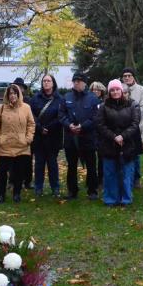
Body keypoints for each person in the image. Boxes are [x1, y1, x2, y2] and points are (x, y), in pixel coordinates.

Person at [96, 79, 141, 207]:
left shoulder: (132, 105)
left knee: (127, 173)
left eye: (117, 89)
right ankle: (110, 199)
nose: (115, 92)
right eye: (112, 90)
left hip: (127, 144)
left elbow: (135, 123)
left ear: (121, 90)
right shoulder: (103, 106)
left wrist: (123, 136)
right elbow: (100, 124)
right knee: (110, 173)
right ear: (109, 92)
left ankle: (126, 198)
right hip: (109, 144)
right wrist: (114, 137)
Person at [0, 84, 36, 203]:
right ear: (7, 95)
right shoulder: (1, 108)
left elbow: (31, 124)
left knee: (19, 172)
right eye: (10, 93)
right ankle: (1, 195)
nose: (13, 96)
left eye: (15, 93)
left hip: (22, 145)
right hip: (5, 145)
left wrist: (28, 138)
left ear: (19, 94)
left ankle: (17, 193)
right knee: (1, 172)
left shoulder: (26, 107)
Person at [60, 72, 101, 200]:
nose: (77, 83)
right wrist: (69, 125)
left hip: (87, 137)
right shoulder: (66, 97)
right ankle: (72, 191)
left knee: (91, 166)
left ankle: (92, 190)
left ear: (84, 83)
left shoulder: (93, 98)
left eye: (79, 81)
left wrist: (82, 126)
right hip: (71, 138)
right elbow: (61, 115)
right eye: (75, 81)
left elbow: (95, 117)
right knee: (71, 166)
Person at [29, 74, 65, 197]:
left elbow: (61, 116)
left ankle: (55, 187)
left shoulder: (60, 99)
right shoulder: (35, 99)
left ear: (53, 83)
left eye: (48, 81)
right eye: (44, 81)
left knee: (52, 164)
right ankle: (38, 188)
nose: (46, 83)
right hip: (39, 137)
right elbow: (31, 116)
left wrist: (48, 128)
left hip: (53, 136)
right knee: (39, 163)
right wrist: (40, 128)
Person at [120, 68, 143, 188]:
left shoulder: (141, 90)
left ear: (133, 77)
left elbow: (142, 107)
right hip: (120, 128)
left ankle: (136, 178)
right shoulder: (119, 88)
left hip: (136, 126)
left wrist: (129, 118)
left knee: (135, 153)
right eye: (124, 76)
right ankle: (125, 178)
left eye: (129, 75)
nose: (126, 78)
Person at [13, 77, 33, 189]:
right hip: (13, 134)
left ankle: (27, 181)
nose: (18, 89)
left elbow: (32, 119)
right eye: (16, 87)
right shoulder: (9, 100)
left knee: (27, 159)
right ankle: (13, 181)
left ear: (23, 89)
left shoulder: (28, 101)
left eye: (20, 87)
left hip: (26, 134)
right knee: (12, 159)